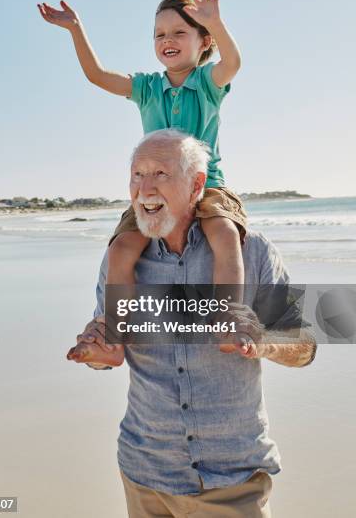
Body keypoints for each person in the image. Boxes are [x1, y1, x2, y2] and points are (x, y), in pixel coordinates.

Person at [67, 130, 317, 518]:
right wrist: (97, 354)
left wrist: (260, 341)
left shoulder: (252, 251)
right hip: (145, 474)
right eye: (137, 175)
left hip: (232, 479)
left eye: (161, 174)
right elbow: (107, 352)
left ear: (197, 184)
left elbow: (304, 347)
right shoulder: (121, 259)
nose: (144, 188)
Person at [38, 0, 246, 302]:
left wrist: (216, 22)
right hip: (153, 190)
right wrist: (75, 29)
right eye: (159, 34)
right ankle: (114, 332)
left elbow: (232, 63)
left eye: (179, 32)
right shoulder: (146, 88)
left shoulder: (207, 83)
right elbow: (97, 74)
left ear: (204, 41)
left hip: (207, 186)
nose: (167, 40)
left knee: (225, 235)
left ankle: (229, 318)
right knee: (121, 247)